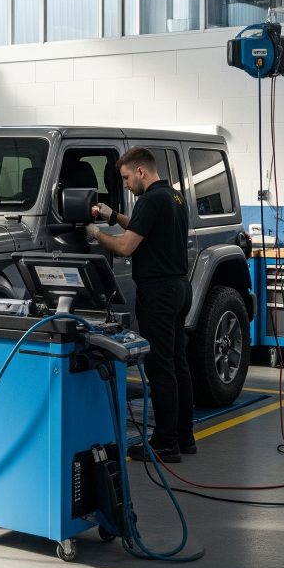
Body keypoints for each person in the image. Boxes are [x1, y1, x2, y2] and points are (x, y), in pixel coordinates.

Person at [87, 147, 195, 464]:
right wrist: (112, 216)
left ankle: (165, 443)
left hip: (158, 292)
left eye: (125, 178)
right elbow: (141, 227)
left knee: (160, 367)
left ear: (141, 172)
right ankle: (184, 437)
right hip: (179, 287)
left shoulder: (150, 200)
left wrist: (97, 234)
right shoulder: (174, 197)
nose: (125, 184)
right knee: (178, 363)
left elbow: (125, 246)